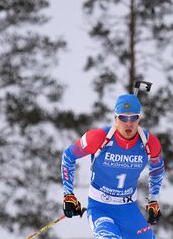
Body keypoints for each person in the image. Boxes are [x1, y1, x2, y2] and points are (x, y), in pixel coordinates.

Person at [61, 93, 165, 238]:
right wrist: (68, 195)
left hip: (129, 210)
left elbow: (157, 169)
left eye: (133, 117)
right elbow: (68, 156)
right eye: (123, 117)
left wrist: (153, 199)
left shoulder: (149, 143)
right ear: (116, 118)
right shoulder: (97, 138)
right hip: (101, 208)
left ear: (139, 118)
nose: (128, 123)